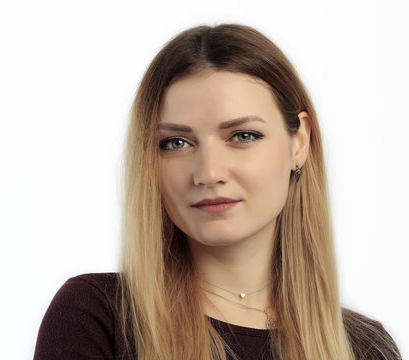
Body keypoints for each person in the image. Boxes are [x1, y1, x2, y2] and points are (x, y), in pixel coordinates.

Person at [33, 24, 401, 359]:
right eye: (176, 142)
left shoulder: (366, 348)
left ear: (299, 141)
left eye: (243, 136)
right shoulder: (97, 317)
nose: (208, 173)